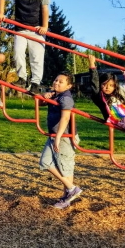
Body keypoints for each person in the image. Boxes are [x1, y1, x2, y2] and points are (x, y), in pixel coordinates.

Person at [0, 0, 51, 94]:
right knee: (18, 52)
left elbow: (45, 8)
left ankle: (36, 83)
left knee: (36, 56)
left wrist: (44, 27)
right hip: (21, 28)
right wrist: (1, 12)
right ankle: (22, 78)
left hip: (36, 29)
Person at [38, 70, 82, 209]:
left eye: (60, 82)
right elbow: (39, 103)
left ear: (68, 86)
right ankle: (71, 188)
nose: (56, 83)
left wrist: (58, 138)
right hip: (55, 136)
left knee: (65, 169)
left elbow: (65, 118)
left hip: (65, 137)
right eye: (56, 80)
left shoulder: (66, 98)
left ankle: (66, 199)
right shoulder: (55, 95)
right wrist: (44, 97)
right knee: (45, 162)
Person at [87, 54, 125, 134]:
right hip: (119, 121)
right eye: (104, 84)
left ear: (115, 86)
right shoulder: (100, 97)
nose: (107, 87)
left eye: (111, 85)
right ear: (100, 85)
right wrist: (92, 65)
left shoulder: (118, 94)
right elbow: (94, 83)